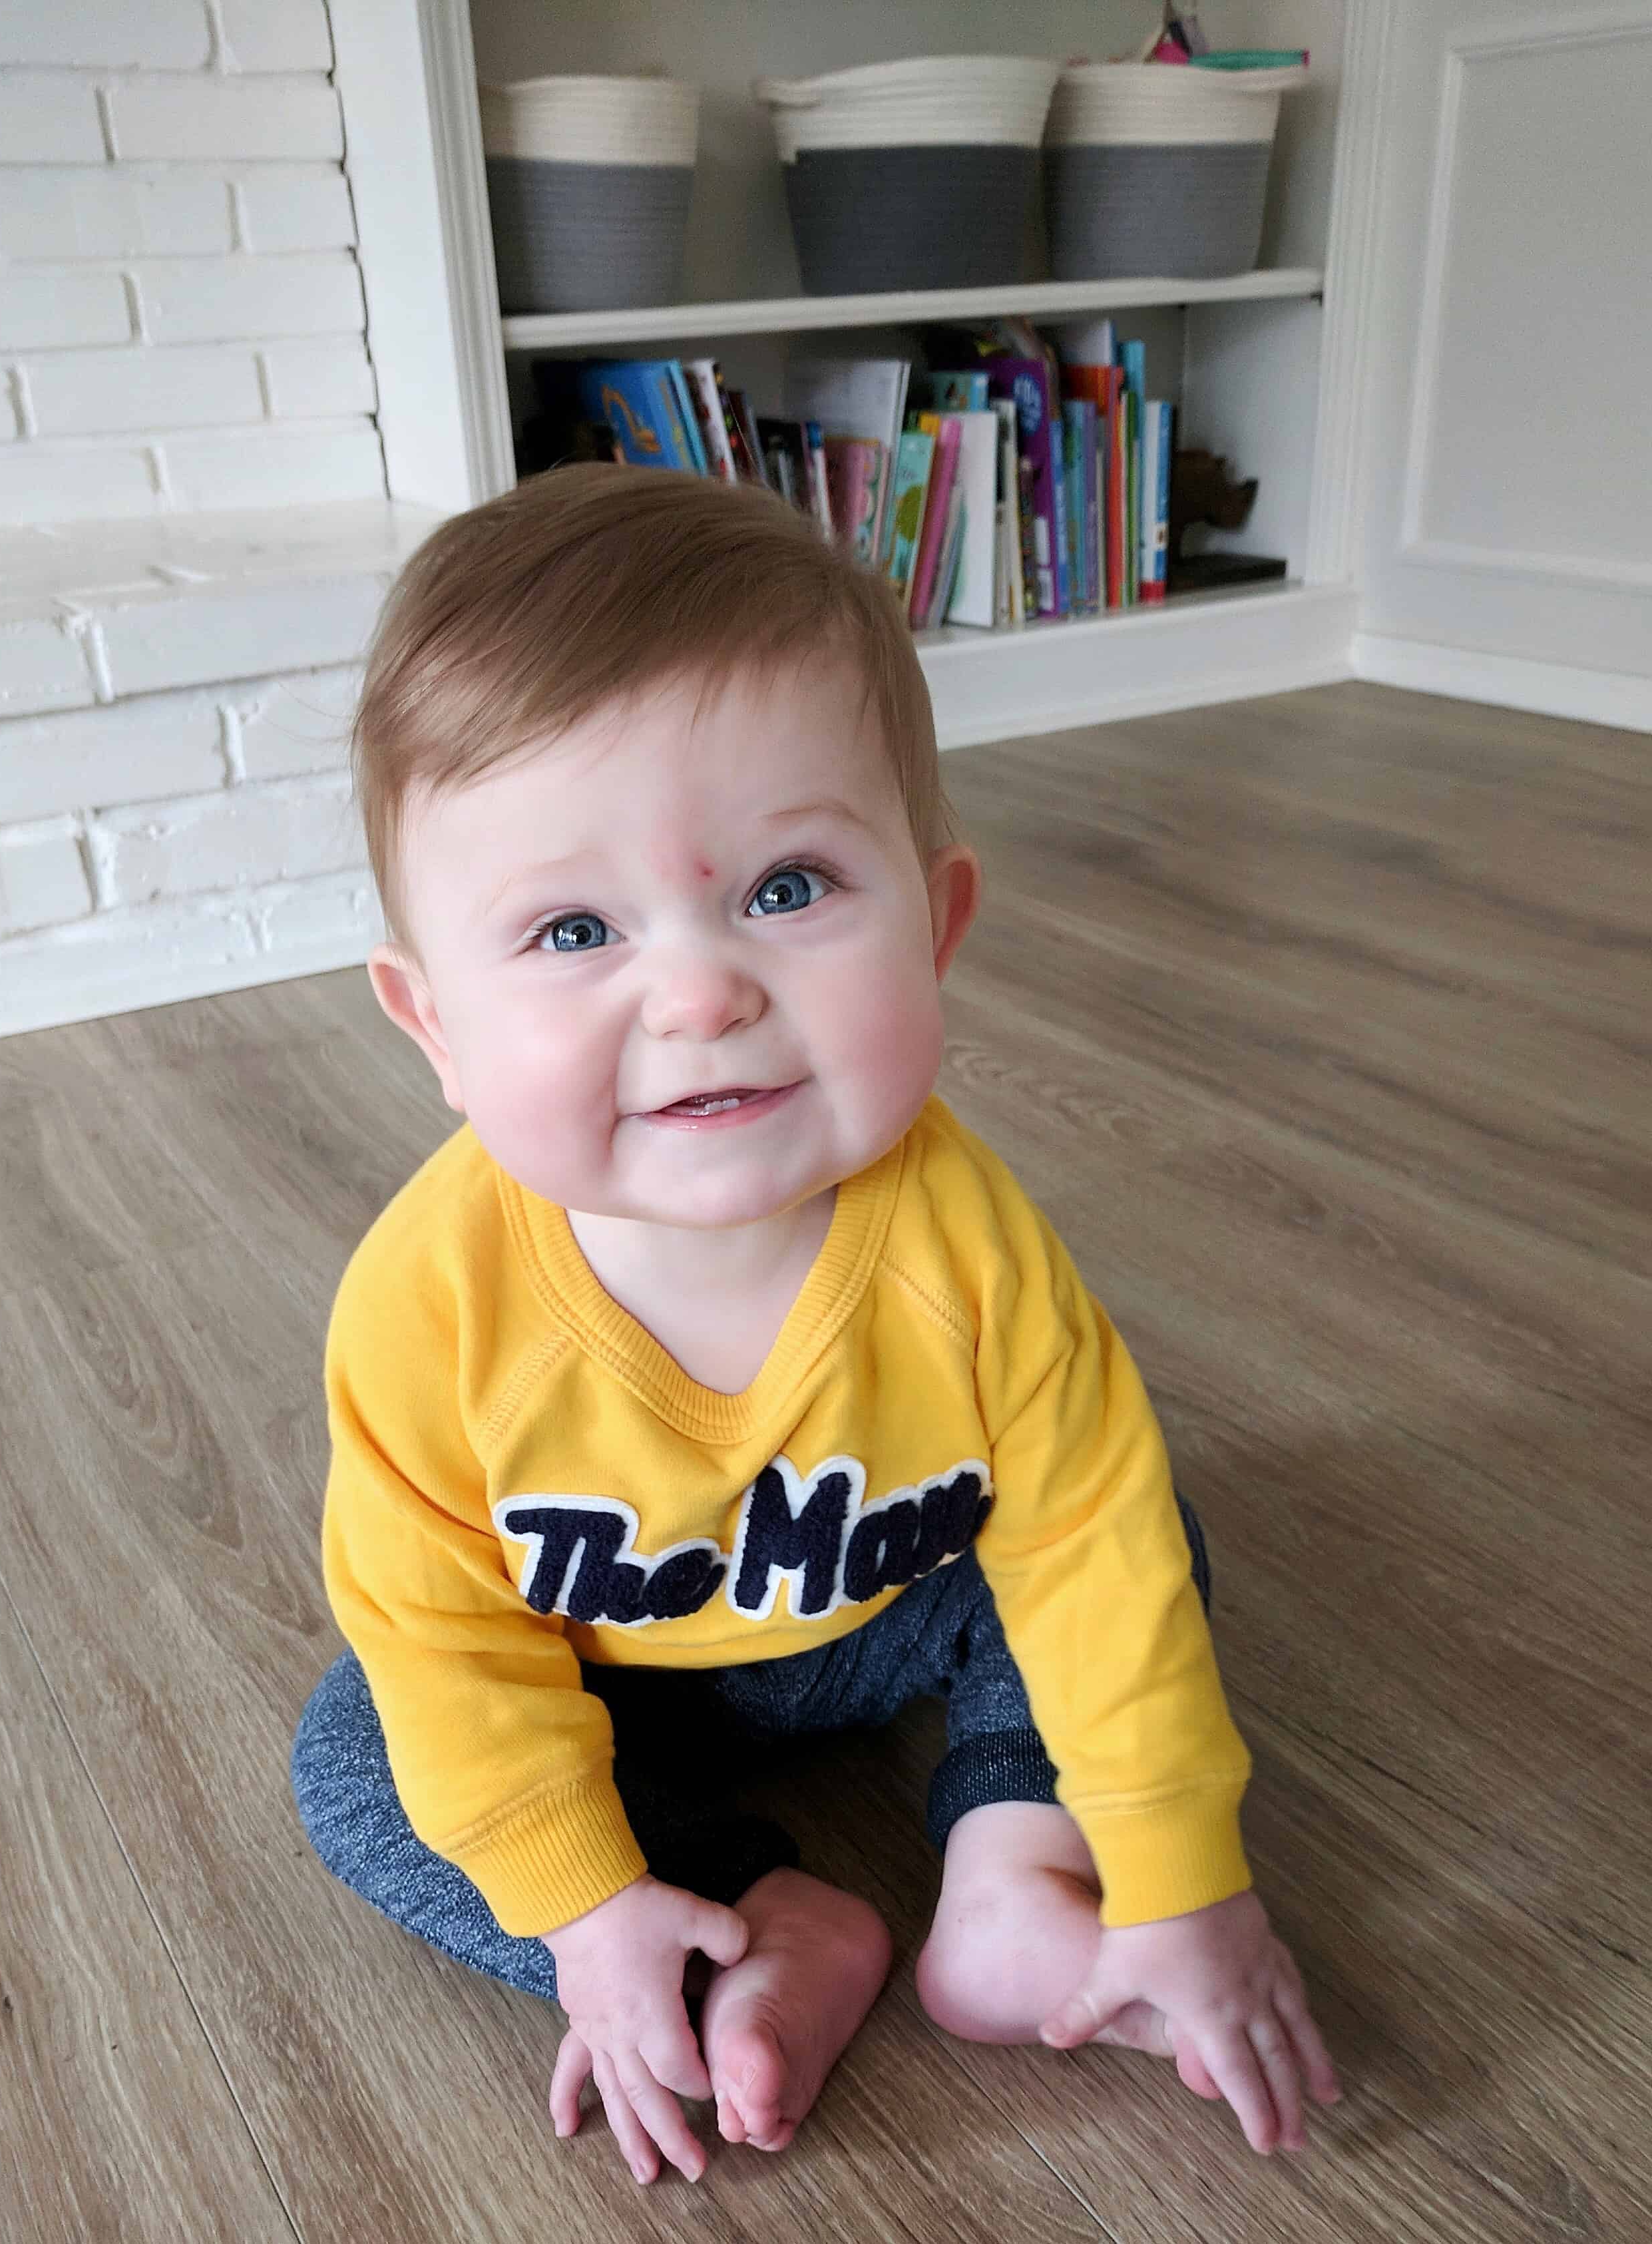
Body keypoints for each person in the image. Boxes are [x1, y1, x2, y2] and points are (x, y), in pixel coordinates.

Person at [290, 465, 1340, 2186]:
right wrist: (578, 1905)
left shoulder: (972, 1244)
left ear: (937, 921)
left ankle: (1016, 1876)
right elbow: (446, 1636)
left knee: (1137, 1535)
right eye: (572, 929)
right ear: (437, 1029)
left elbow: (1082, 1545)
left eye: (787, 886)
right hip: (613, 1685)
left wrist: (1181, 1874)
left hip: (894, 1607)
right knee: (364, 1751)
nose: (700, 991)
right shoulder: (429, 1308)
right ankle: (725, 1918)